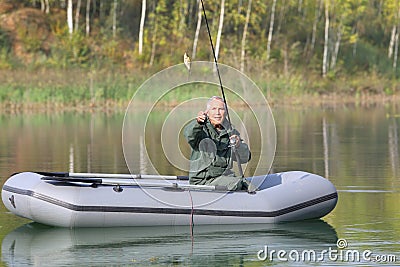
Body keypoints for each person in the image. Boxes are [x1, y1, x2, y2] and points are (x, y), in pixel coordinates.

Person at [183, 96, 251, 191]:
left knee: (249, 186)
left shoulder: (231, 132)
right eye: (214, 109)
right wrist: (197, 122)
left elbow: (245, 158)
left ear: (226, 113)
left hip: (224, 178)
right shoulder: (200, 129)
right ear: (207, 112)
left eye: (221, 109)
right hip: (203, 181)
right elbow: (188, 134)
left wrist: (239, 145)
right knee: (237, 183)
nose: (217, 113)